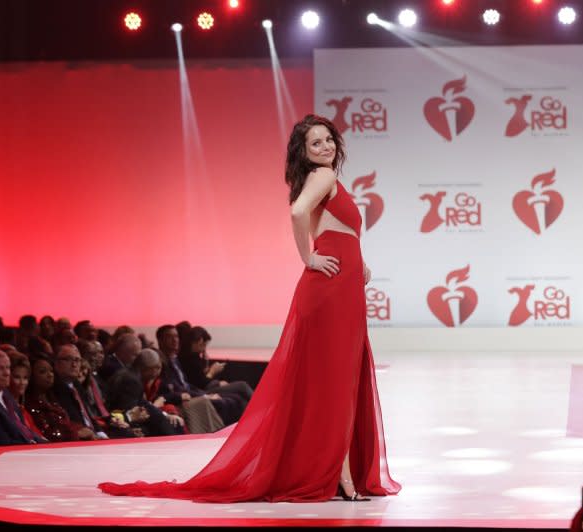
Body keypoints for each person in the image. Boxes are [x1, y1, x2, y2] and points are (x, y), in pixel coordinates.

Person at [99, 114, 401, 502]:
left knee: (332, 385)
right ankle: (339, 475)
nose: (325, 147)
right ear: (305, 153)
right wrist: (308, 259)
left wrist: (358, 263)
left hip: (336, 290)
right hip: (330, 293)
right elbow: (298, 215)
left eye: (328, 140)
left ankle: (339, 472)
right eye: (316, 143)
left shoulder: (320, 179)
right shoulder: (322, 177)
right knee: (336, 385)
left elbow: (326, 230)